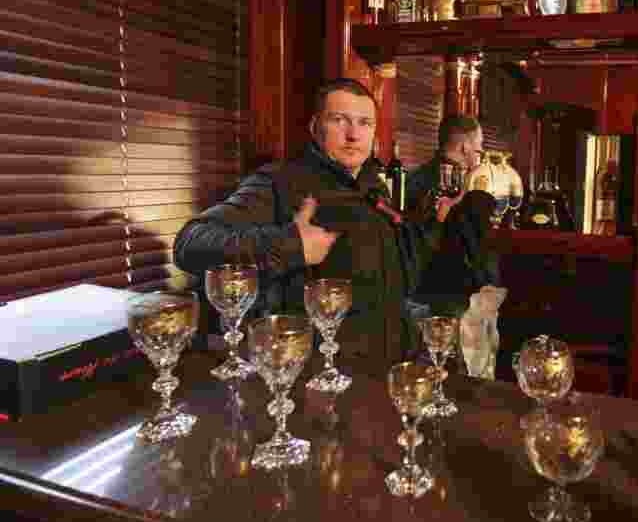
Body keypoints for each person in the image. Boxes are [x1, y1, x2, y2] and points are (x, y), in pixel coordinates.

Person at [173, 78, 454, 365]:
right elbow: (190, 242)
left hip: (387, 371)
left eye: (365, 123)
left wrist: (436, 224)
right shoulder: (278, 182)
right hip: (315, 377)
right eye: (339, 120)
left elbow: (395, 280)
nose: (353, 134)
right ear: (314, 127)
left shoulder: (374, 187)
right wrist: (292, 244)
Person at [405, 115, 499, 319]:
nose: (480, 153)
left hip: (413, 294)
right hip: (452, 299)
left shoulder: (411, 180)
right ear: (465, 147)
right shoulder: (465, 188)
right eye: (479, 146)